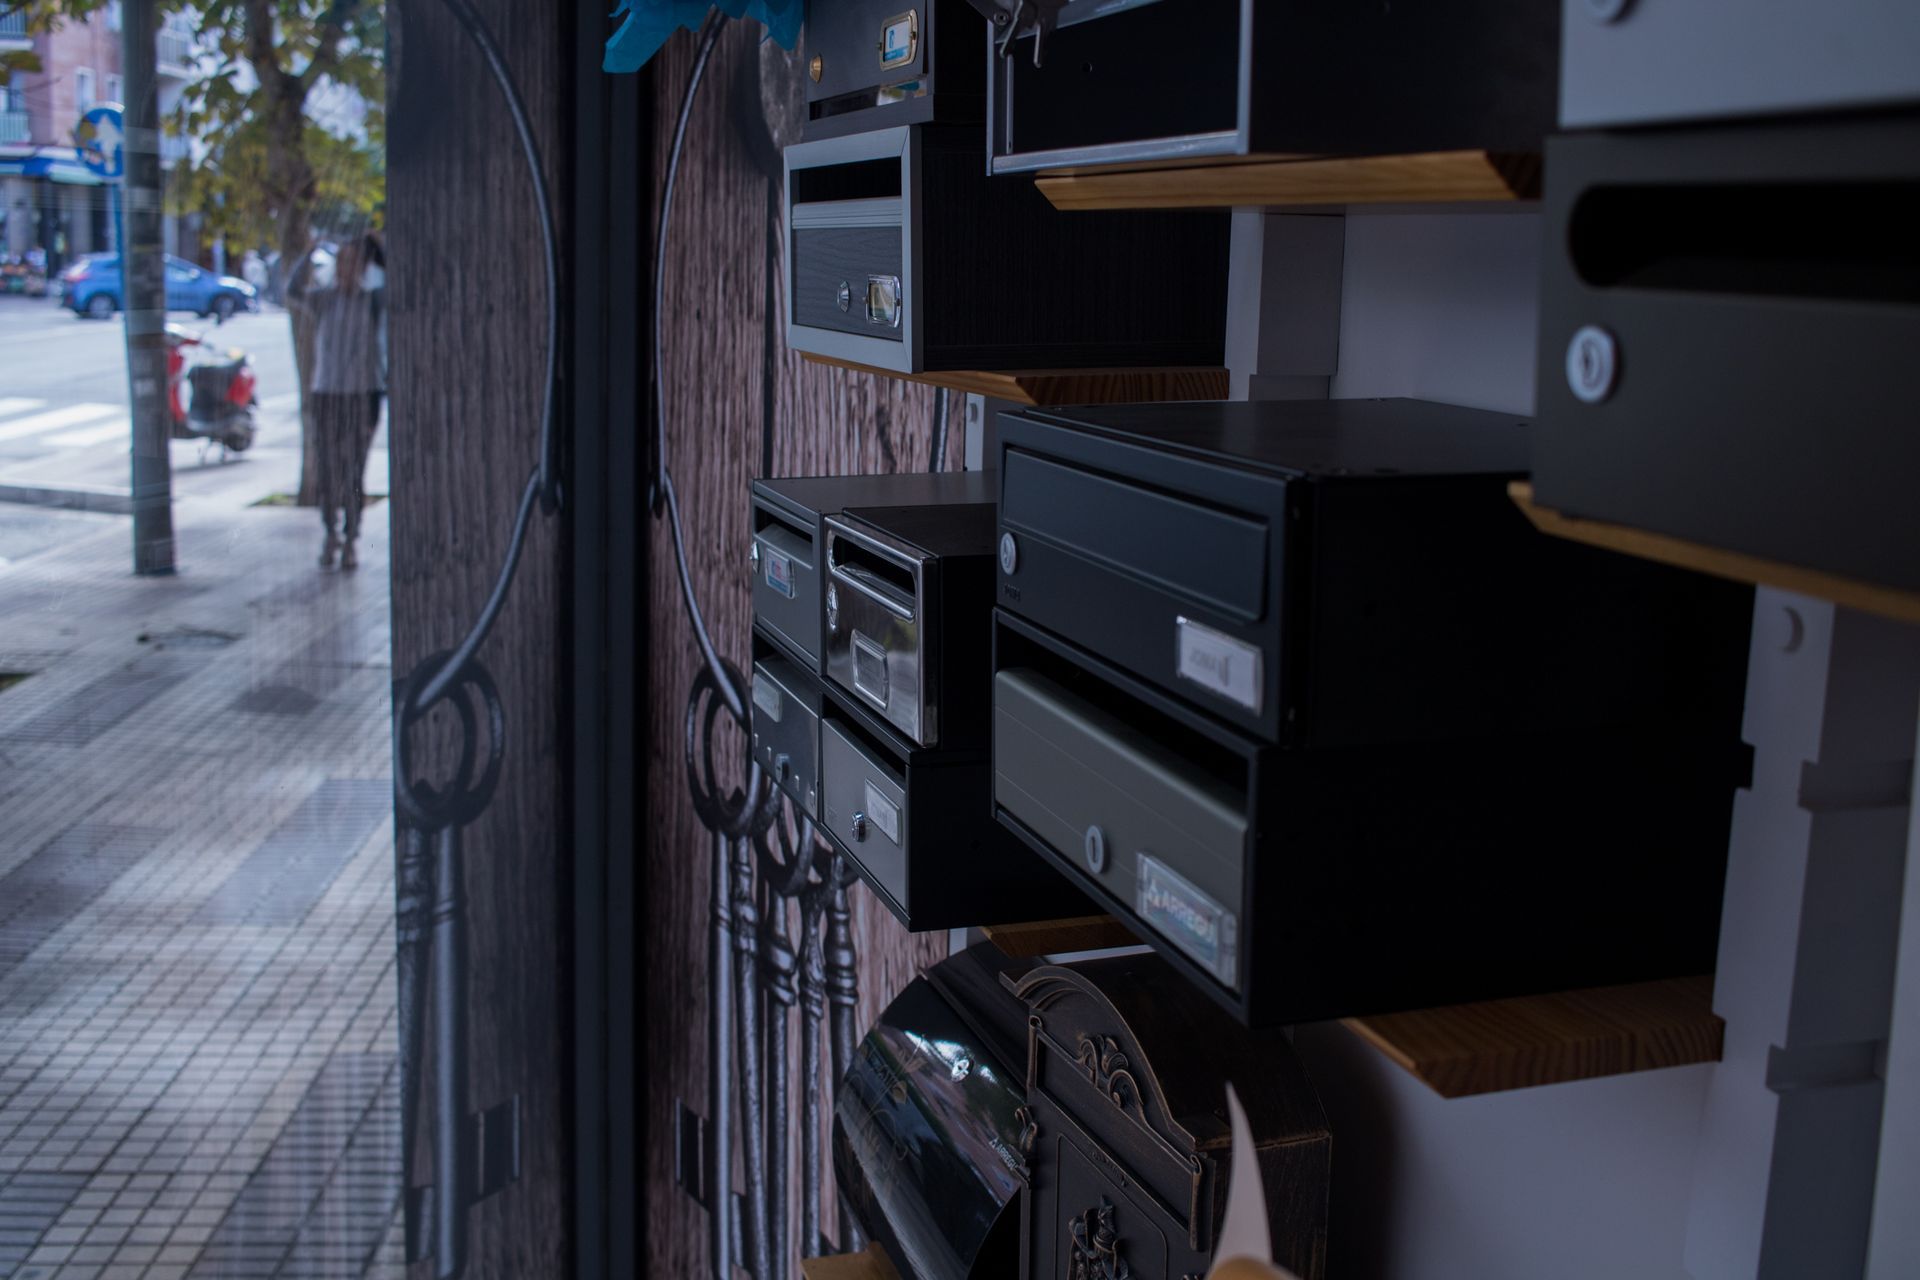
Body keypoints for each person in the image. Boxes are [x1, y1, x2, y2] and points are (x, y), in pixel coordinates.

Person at [287, 232, 385, 570]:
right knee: (328, 471)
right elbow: (291, 290)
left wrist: (378, 247)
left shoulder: (372, 300)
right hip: (327, 394)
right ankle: (331, 533)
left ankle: (352, 538)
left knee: (354, 472)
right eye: (342, 260)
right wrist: (309, 251)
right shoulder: (323, 300)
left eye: (355, 260)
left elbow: (397, 281)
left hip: (363, 395)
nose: (347, 267)